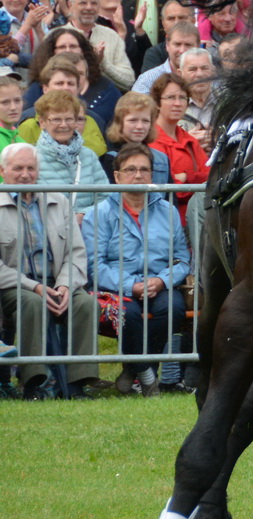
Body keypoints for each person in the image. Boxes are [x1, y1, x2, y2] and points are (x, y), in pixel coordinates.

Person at [87, 143, 192, 396]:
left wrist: (161, 281)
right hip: (115, 287)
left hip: (158, 283)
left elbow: (182, 260)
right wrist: (130, 286)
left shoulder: (167, 211)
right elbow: (94, 266)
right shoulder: (98, 213)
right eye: (131, 169)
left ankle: (132, 370)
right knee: (129, 314)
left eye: (144, 170)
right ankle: (146, 373)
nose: (138, 175)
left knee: (174, 308)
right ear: (117, 175)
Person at [0, 141, 101, 399]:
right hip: (15, 286)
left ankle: (77, 383)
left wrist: (66, 284)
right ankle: (34, 382)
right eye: (18, 168)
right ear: (3, 171)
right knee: (32, 303)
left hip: (56, 281)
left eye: (31, 168)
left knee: (86, 304)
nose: (25, 175)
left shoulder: (58, 200)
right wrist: (33, 285)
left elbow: (76, 252)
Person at [148, 73, 209, 219]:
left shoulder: (189, 140)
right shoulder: (151, 140)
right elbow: (171, 189)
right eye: (171, 97)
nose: (178, 103)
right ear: (157, 103)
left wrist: (186, 177)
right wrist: (195, 181)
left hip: (196, 220)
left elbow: (210, 177)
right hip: (167, 221)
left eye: (182, 98)